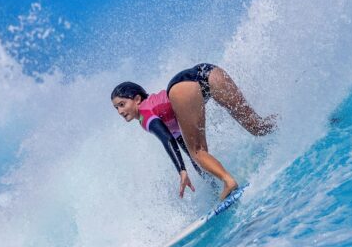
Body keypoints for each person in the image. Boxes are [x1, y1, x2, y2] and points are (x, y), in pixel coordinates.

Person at [111, 63, 276, 200]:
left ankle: (228, 181)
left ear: (137, 100)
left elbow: (166, 138)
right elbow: (184, 146)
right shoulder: (162, 111)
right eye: (116, 108)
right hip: (207, 72)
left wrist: (181, 170)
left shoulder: (145, 114)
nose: (120, 111)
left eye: (122, 104)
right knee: (257, 126)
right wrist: (212, 188)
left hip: (181, 87)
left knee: (198, 151)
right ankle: (285, 119)